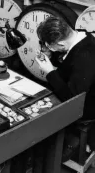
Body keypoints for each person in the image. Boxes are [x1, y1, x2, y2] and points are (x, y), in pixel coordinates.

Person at [35, 16, 95, 153]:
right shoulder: (78, 35)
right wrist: (52, 56)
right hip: (78, 89)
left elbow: (72, 99)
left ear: (61, 44)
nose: (48, 47)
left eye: (51, 46)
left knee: (38, 122)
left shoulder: (86, 57)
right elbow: (69, 62)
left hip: (87, 106)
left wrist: (50, 72)